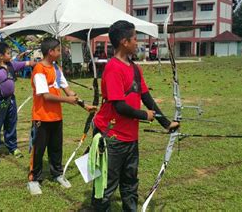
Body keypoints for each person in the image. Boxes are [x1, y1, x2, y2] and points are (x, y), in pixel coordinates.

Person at [91, 21, 179, 211]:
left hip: (130, 137)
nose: (136, 43)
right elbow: (119, 106)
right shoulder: (113, 68)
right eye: (134, 39)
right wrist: (143, 115)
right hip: (112, 137)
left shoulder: (134, 68)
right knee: (105, 185)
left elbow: (145, 96)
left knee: (130, 183)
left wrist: (165, 122)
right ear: (124, 42)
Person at [27, 37, 95, 195]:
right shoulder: (39, 69)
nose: (60, 52)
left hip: (56, 117)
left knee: (56, 148)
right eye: (58, 50)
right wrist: (68, 100)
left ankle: (57, 173)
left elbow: (67, 89)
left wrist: (83, 104)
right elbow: (45, 96)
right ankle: (34, 179)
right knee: (38, 150)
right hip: (41, 117)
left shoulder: (56, 68)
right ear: (50, 52)